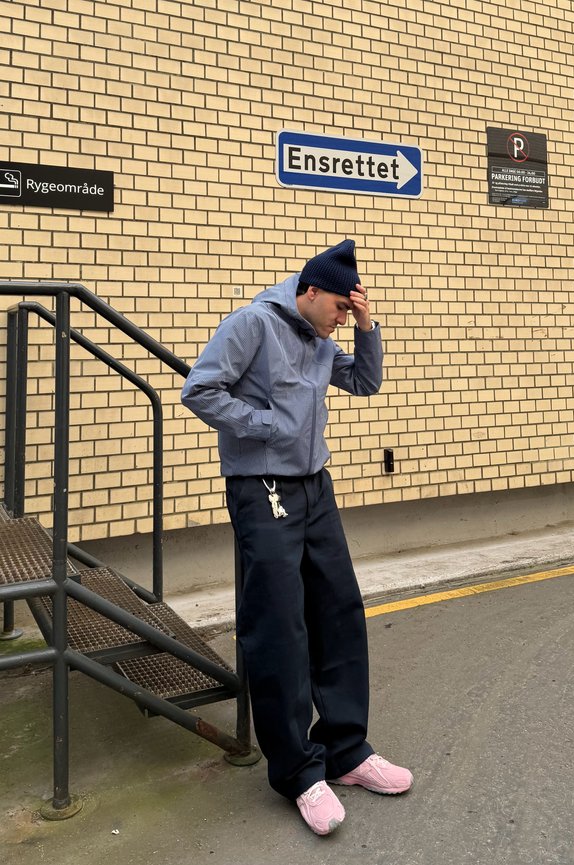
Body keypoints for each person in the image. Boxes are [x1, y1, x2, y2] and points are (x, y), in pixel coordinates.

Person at [181, 240, 413, 836]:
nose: (341, 316)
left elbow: (364, 382)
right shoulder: (253, 324)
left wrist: (367, 326)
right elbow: (201, 389)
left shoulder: (321, 336)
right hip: (263, 486)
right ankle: (298, 773)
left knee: (339, 609)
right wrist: (269, 429)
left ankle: (347, 752)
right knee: (280, 623)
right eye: (339, 306)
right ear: (310, 292)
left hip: (314, 485)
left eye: (347, 311)